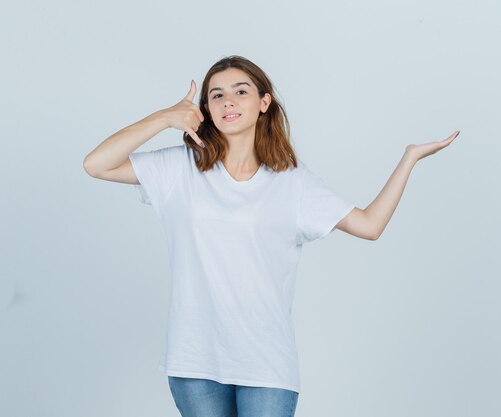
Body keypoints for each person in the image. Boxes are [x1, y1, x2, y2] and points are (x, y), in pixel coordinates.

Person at [83, 54, 460, 417]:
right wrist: (165, 117)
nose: (228, 101)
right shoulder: (180, 170)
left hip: (265, 364)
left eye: (240, 91)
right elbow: (96, 164)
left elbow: (369, 225)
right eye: (217, 95)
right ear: (206, 110)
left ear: (264, 102)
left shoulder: (292, 183)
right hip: (195, 361)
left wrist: (409, 159)